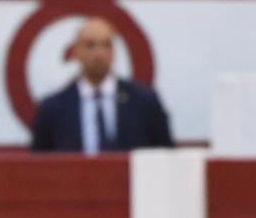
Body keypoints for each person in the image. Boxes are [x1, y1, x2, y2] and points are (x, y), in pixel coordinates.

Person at [30, 17, 173, 151]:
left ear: (114, 51)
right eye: (90, 45)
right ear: (76, 52)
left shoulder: (144, 102)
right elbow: (39, 162)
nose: (99, 54)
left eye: (106, 45)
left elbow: (165, 155)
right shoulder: (53, 108)